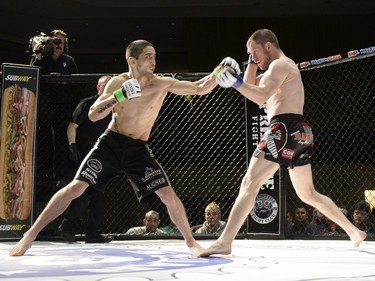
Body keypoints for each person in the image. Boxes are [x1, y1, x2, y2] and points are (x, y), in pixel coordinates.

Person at [9, 39, 218, 256]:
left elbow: (199, 88)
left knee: (167, 194)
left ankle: (191, 242)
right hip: (112, 143)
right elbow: (94, 113)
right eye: (148, 56)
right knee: (76, 188)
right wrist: (120, 96)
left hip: (138, 149)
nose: (153, 61)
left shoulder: (161, 83)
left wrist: (218, 73)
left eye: (155, 56)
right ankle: (30, 235)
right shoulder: (118, 83)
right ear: (132, 60)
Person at [199, 29, 367, 257]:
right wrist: (246, 65)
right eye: (250, 54)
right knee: (308, 194)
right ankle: (354, 231)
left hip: (283, 129)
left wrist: (236, 82)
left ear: (268, 45)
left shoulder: (280, 65)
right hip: (301, 132)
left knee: (250, 183)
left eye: (255, 52)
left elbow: (259, 96)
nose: (254, 57)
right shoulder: (277, 69)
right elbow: (251, 88)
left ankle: (225, 241)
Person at [58, 75, 113, 243]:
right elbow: (72, 126)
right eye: (105, 85)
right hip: (86, 150)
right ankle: (67, 227)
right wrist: (72, 146)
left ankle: (93, 234)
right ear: (98, 87)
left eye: (111, 86)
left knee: (99, 193)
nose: (108, 89)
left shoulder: (115, 106)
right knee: (83, 191)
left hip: (105, 151)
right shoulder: (87, 103)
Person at [31, 29, 78, 190]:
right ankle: (40, 174)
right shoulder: (42, 59)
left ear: (65, 45)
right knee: (42, 139)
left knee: (61, 141)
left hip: (62, 105)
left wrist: (62, 82)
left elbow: (75, 84)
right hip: (44, 105)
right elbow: (31, 76)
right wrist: (37, 54)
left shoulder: (69, 60)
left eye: (61, 42)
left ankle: (61, 176)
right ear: (50, 42)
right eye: (55, 41)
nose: (58, 45)